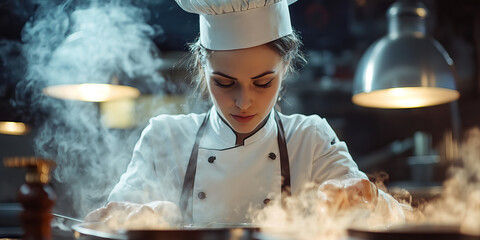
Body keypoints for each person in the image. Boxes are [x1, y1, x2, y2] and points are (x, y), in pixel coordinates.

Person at [86, 0, 405, 226]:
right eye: (224, 83)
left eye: (263, 83)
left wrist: (370, 199)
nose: (243, 101)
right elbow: (103, 222)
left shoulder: (311, 139)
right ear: (201, 68)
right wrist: (135, 217)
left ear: (286, 68)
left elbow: (401, 222)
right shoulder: (164, 138)